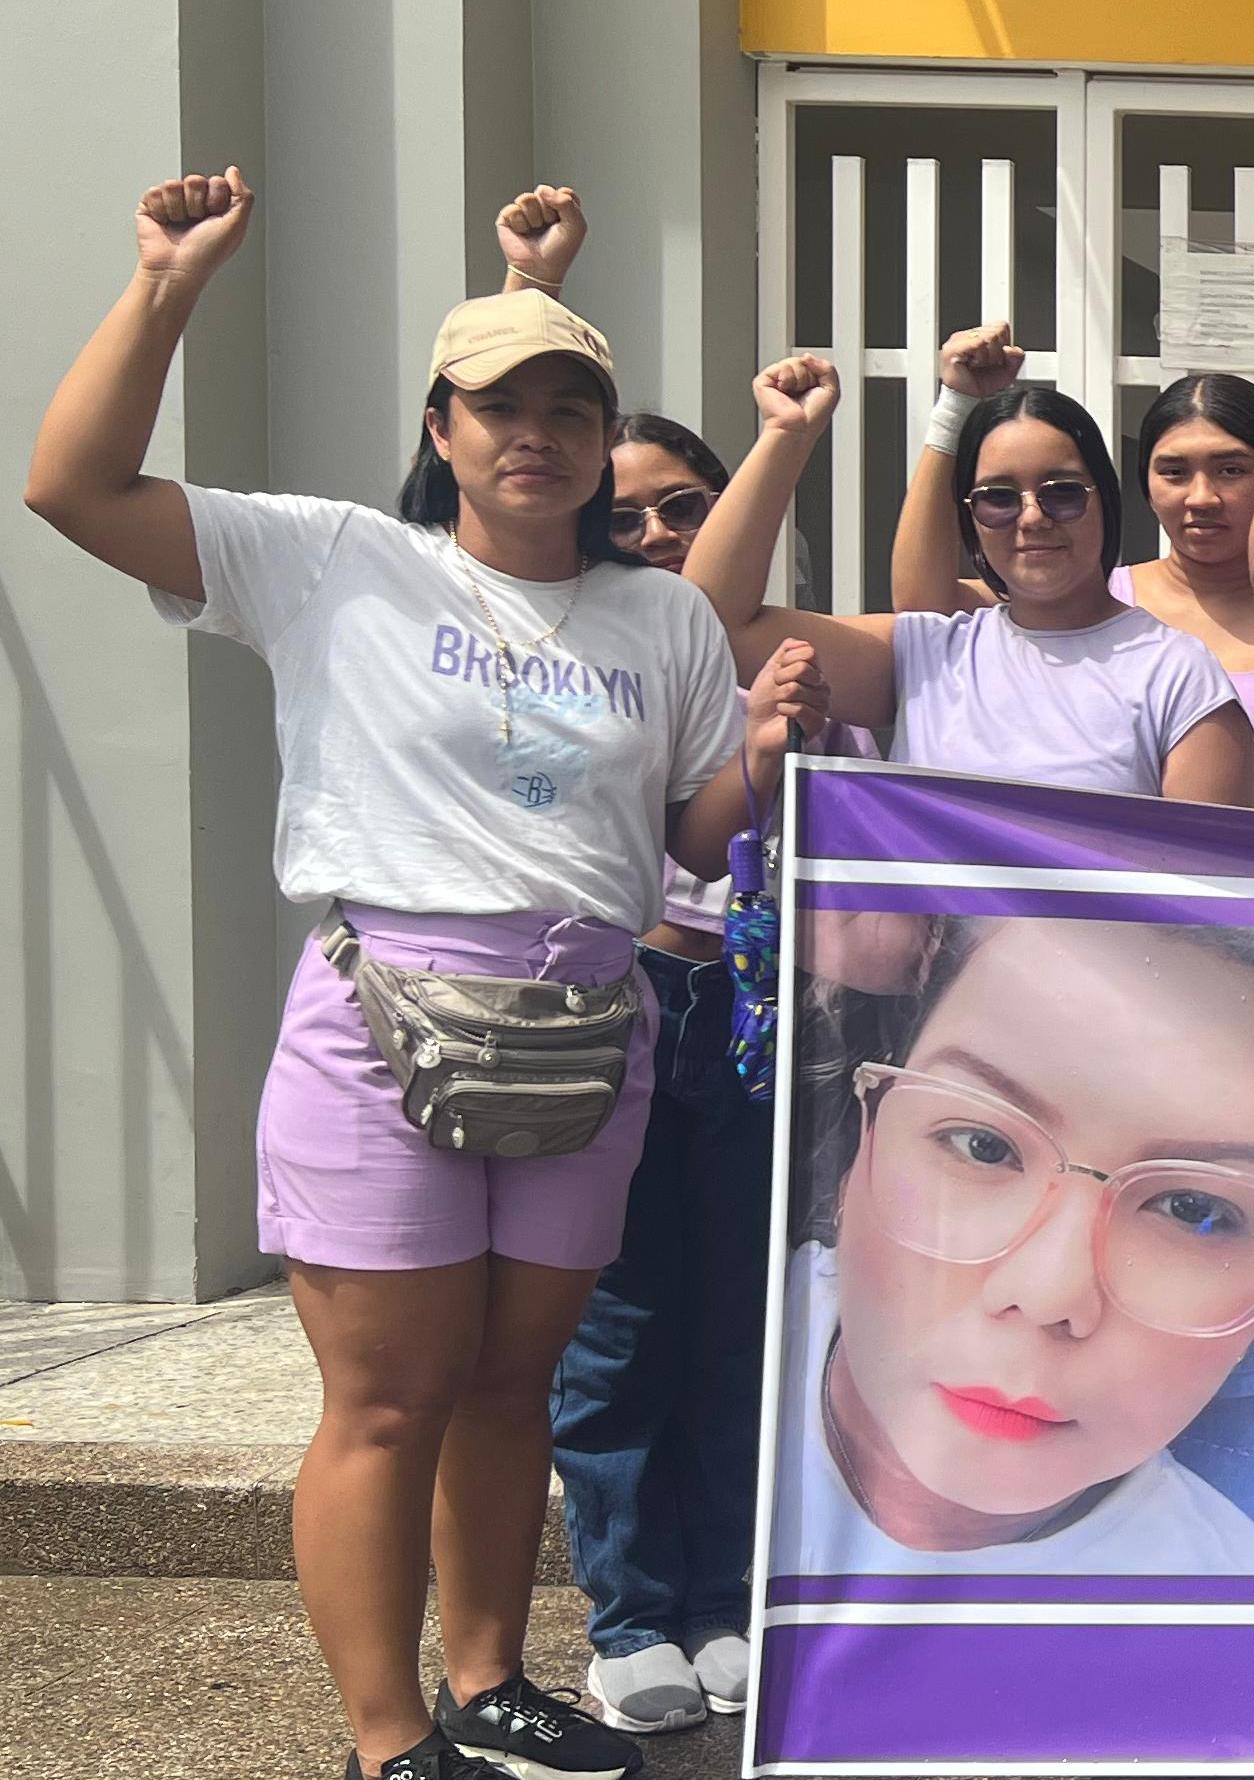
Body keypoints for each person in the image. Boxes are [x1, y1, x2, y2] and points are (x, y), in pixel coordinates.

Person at [28, 168, 809, 1780]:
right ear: (441, 427)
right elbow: (73, 484)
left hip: (593, 1021)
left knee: (511, 1385)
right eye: (498, 404)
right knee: (386, 1400)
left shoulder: (659, 617)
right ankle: (392, 1741)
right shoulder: (332, 562)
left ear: (606, 443)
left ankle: (491, 1677)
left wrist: (768, 762)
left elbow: (687, 826)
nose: (538, 433)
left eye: (571, 409)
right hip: (390, 1017)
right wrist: (167, 282)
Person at [777, 916, 1254, 1575]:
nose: (1046, 1295)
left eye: (1193, 1210)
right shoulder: (661, 1374)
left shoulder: (1247, 1640)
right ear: (858, 1141)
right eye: (985, 1146)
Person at [693, 332, 1253, 805]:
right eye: (998, 498)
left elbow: (1210, 903)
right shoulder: (927, 655)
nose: (1031, 518)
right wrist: (787, 436)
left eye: (1062, 494)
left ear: (1105, 501)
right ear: (970, 517)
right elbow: (714, 619)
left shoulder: (1177, 672)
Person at [893, 326, 1254, 790]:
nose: (1201, 497)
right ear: (1142, 486)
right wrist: (954, 409)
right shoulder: (1087, 601)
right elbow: (921, 605)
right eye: (1173, 472)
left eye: (1230, 469)